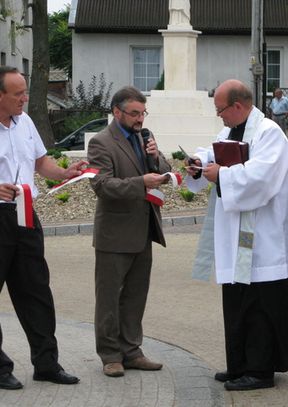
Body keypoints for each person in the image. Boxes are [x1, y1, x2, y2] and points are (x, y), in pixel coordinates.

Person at [186, 79, 288, 391]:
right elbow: (214, 154)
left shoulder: (268, 133)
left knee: (260, 304)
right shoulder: (228, 131)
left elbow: (262, 178)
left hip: (262, 236)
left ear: (238, 106)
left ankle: (261, 370)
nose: (219, 116)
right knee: (238, 300)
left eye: (221, 110)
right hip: (236, 232)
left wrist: (221, 175)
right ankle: (240, 363)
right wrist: (200, 164)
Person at [0, 66, 81, 388]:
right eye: (18, 93)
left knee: (37, 292)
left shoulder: (26, 123)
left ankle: (46, 364)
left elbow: (40, 163)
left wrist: (66, 172)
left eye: (24, 92)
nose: (24, 98)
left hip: (25, 214)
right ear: (1, 95)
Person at [87, 86, 171, 377]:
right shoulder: (101, 143)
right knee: (109, 298)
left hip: (144, 229)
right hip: (115, 234)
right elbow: (101, 186)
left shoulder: (143, 137)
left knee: (136, 296)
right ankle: (110, 355)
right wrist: (141, 183)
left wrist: (156, 158)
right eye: (134, 113)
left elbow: (163, 168)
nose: (140, 119)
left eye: (143, 113)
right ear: (117, 112)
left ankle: (132, 351)